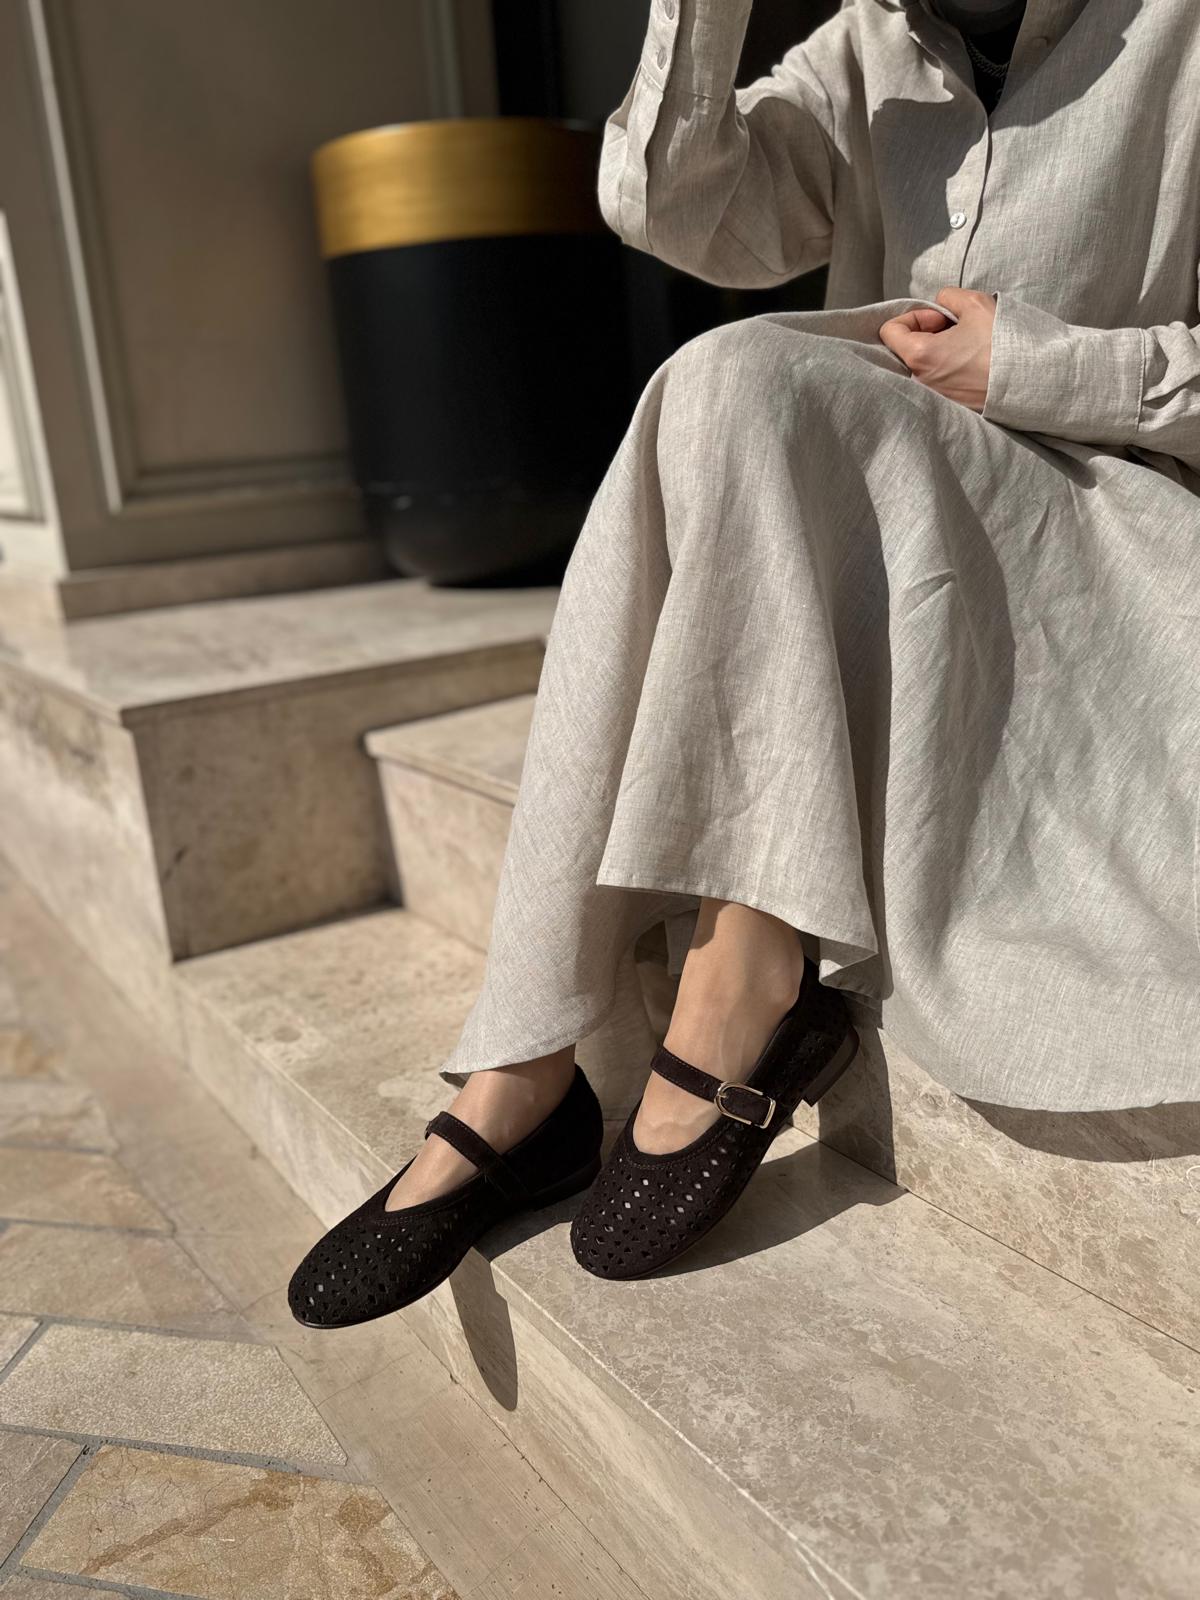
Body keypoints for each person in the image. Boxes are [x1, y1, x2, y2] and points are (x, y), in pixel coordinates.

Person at [289, 0, 1200, 1324]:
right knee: (734, 378)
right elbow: (677, 212)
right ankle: (530, 1061)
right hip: (889, 530)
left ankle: (710, 986)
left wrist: (1042, 365)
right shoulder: (876, 45)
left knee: (750, 380)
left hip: (1110, 533)